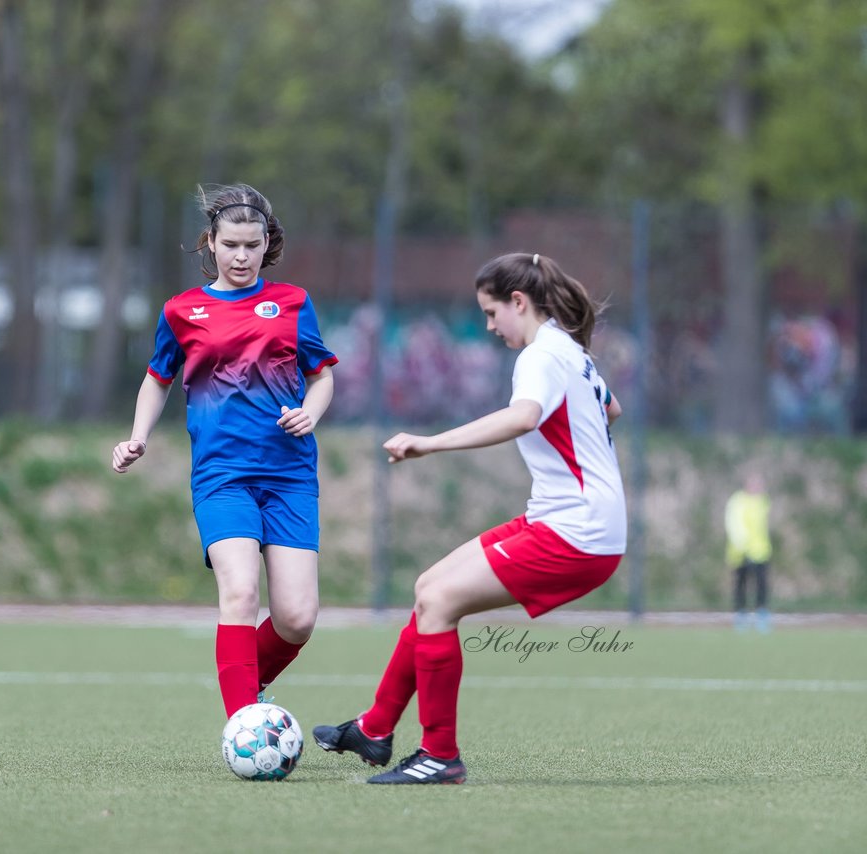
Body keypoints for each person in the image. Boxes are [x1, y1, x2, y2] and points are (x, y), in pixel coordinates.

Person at [313, 252, 626, 785]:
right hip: (566, 518)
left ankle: (440, 756)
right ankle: (375, 727)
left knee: (439, 602)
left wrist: (430, 443)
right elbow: (610, 408)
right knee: (430, 586)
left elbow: (523, 416)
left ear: (519, 302)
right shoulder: (568, 350)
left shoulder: (540, 356)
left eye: (491, 312)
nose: (488, 326)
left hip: (578, 531)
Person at [111, 183, 338, 719]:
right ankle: (242, 724)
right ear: (210, 242)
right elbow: (156, 379)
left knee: (297, 618)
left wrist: (312, 411)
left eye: (252, 245)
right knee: (239, 593)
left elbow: (322, 376)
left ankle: (244, 683)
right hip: (222, 476)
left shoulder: (292, 303)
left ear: (267, 244)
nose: (241, 256)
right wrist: (137, 435)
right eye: (230, 244)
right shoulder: (182, 311)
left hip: (289, 475)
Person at [725, 471, 772, 633]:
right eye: (753, 483)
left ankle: (762, 616)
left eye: (759, 483)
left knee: (761, 585)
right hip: (740, 552)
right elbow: (733, 524)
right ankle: (741, 616)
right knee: (741, 585)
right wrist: (742, 543)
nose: (757, 487)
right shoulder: (738, 501)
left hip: (761, 552)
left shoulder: (763, 501)